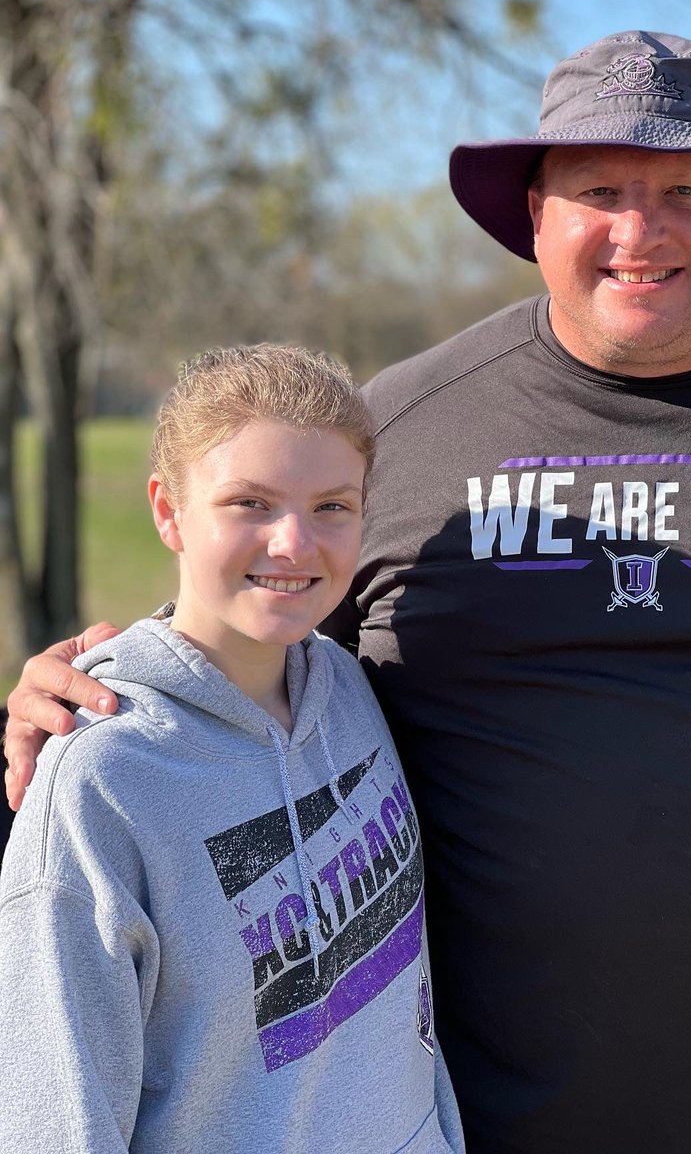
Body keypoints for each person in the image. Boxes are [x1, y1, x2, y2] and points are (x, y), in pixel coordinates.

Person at [6, 29, 691, 1154]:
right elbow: (269, 632)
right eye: (597, 189)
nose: (638, 231)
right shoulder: (403, 431)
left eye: (689, 189)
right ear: (536, 220)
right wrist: (95, 699)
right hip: (493, 1125)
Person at [0, 345, 463, 1153]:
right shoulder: (102, 778)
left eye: (332, 506)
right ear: (168, 511)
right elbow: (60, 1116)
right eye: (249, 503)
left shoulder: (352, 692)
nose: (293, 543)